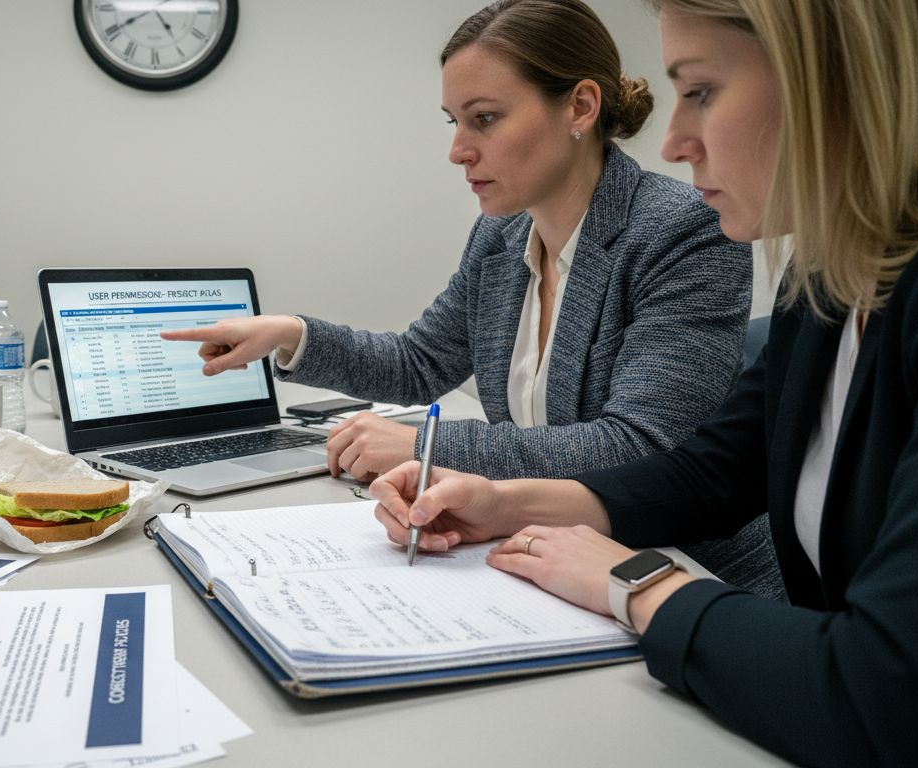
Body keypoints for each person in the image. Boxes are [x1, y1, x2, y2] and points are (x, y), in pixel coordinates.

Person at [371, 0, 918, 763]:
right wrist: (505, 502)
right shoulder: (827, 273)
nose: (673, 139)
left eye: (700, 91)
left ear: (839, 77)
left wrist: (634, 584)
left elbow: (900, 690)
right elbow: (712, 470)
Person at [162, 0, 780, 597]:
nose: (458, 149)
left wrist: (426, 446)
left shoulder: (681, 230)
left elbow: (640, 446)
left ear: (580, 107)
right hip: (545, 557)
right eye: (453, 121)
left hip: (682, 572)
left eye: (483, 118)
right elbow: (420, 362)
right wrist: (292, 336)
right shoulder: (502, 234)